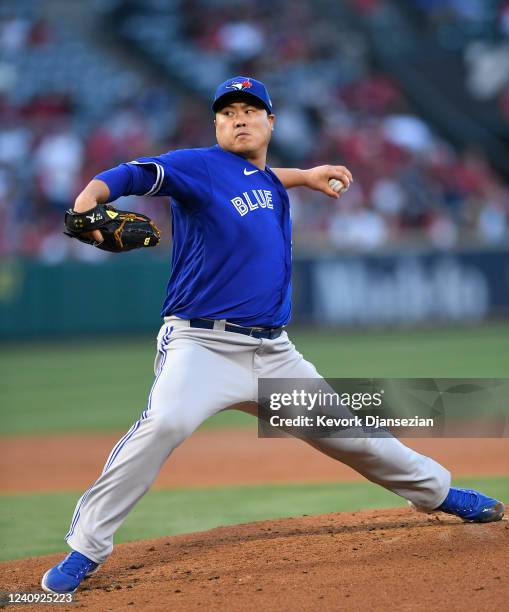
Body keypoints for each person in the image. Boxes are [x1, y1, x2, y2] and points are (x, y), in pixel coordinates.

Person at [42, 77, 504, 594]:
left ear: (270, 123)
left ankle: (439, 493)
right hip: (202, 347)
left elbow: (259, 182)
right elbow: (126, 174)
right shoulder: (197, 166)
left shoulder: (262, 180)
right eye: (227, 112)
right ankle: (85, 549)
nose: (239, 118)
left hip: (273, 354)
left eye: (250, 109)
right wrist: (84, 207)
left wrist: (304, 176)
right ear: (216, 125)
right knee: (163, 424)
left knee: (356, 437)